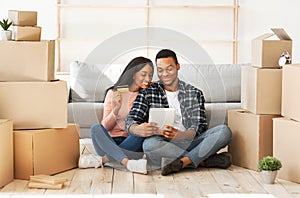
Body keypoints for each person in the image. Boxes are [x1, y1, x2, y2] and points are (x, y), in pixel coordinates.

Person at [125, 49, 232, 176]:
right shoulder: (148, 92)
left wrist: (181, 135)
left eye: (169, 69)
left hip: (190, 140)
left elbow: (199, 126)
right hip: (162, 142)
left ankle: (181, 162)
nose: (164, 74)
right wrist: (136, 129)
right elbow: (131, 119)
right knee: (149, 145)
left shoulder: (194, 93)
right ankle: (201, 160)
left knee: (224, 131)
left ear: (178, 66)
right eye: (160, 70)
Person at [83, 56, 154, 174]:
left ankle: (105, 159)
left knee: (143, 131)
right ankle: (127, 163)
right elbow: (105, 127)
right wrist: (115, 111)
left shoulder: (146, 95)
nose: (147, 78)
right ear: (133, 74)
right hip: (109, 142)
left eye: (150, 75)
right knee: (96, 128)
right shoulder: (113, 93)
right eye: (143, 74)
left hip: (131, 143)